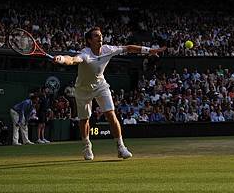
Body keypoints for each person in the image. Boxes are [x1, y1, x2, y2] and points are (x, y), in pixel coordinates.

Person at [54, 26, 165, 160]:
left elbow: (128, 48)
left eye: (100, 35)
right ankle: (87, 146)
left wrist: (149, 51)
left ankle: (121, 147)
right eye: (96, 35)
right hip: (82, 90)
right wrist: (62, 58)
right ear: (89, 40)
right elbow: (73, 59)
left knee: (111, 114)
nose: (100, 37)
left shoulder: (108, 49)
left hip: (101, 85)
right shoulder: (85, 53)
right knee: (84, 120)